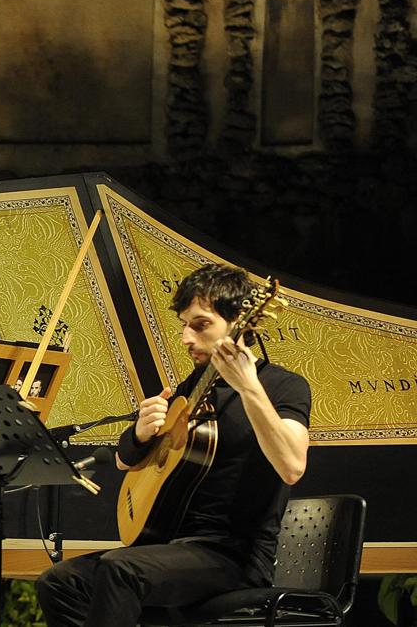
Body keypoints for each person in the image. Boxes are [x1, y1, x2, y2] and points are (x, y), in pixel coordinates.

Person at [36, 263, 311, 627]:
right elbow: (124, 462)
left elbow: (292, 466)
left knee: (121, 569)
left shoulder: (282, 386)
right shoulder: (190, 389)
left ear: (241, 322)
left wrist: (249, 388)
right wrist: (142, 433)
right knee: (60, 581)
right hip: (169, 546)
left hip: (233, 557)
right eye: (184, 324)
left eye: (200, 324)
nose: (186, 337)